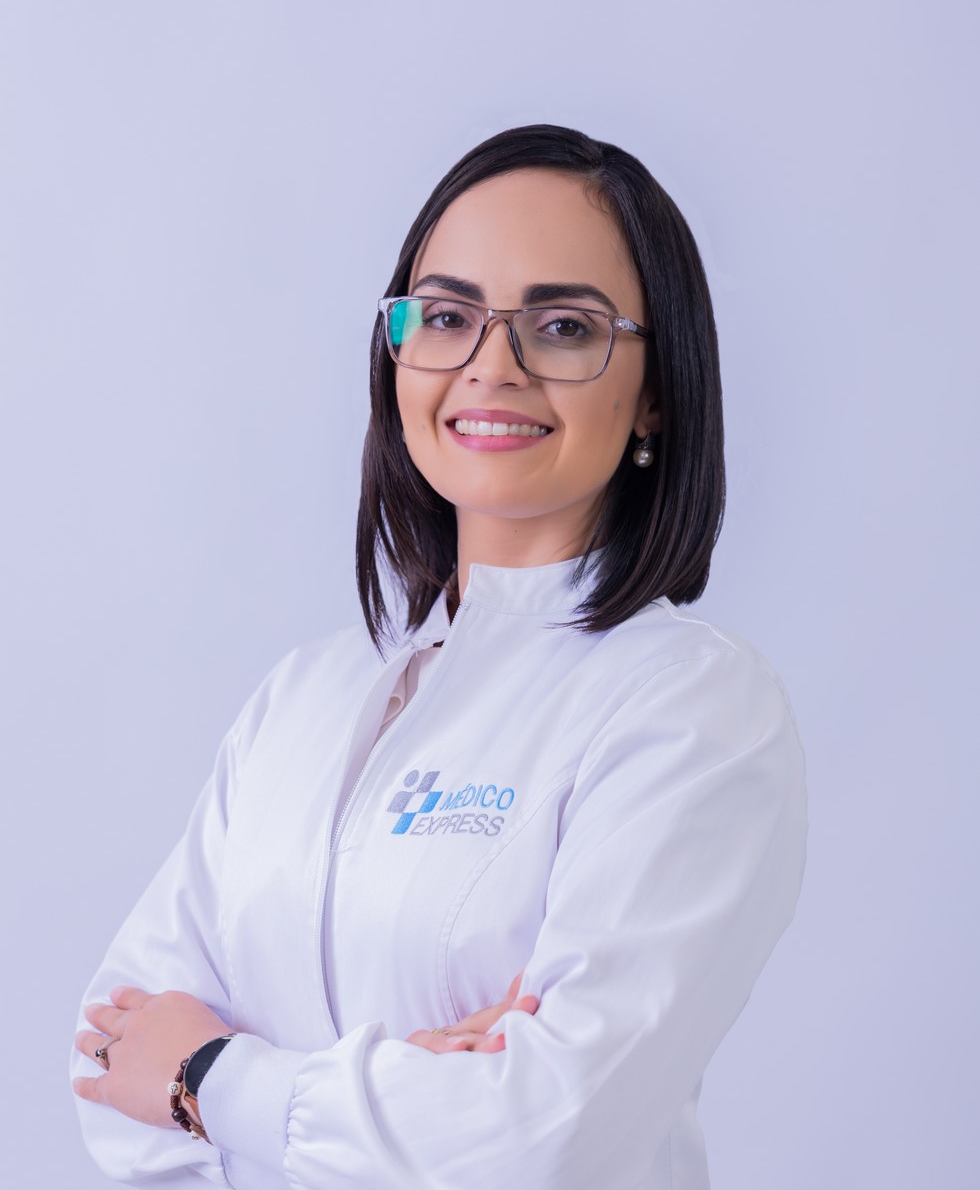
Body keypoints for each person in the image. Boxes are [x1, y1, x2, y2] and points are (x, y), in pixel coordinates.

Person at [72, 123, 807, 1189]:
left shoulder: (693, 707)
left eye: (563, 326)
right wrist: (396, 1096)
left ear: (655, 389)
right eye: (449, 315)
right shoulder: (304, 697)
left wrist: (209, 1077)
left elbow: (539, 1137)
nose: (490, 365)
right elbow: (104, 1069)